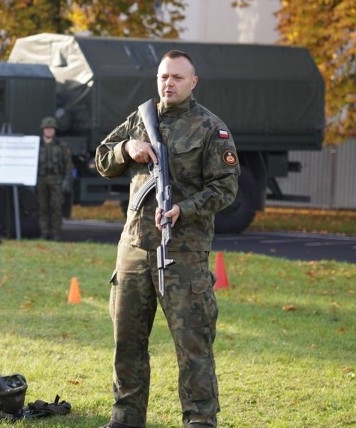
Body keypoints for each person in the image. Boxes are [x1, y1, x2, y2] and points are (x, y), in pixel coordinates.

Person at [95, 50, 240, 428]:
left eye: (177, 77)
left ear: (192, 83)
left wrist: (184, 209)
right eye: (163, 77)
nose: (169, 84)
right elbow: (101, 158)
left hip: (183, 253)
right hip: (134, 249)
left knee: (192, 346)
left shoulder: (210, 128)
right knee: (126, 343)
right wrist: (128, 149)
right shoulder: (139, 120)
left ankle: (200, 420)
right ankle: (126, 417)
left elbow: (226, 189)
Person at [36, 116, 73, 240]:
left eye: (51, 128)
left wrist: (67, 180)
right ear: (43, 130)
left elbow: (68, 164)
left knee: (56, 207)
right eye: (47, 128)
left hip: (56, 179)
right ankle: (44, 232)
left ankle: (56, 233)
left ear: (55, 130)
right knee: (42, 207)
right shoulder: (37, 145)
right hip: (41, 179)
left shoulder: (61, 146)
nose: (49, 131)